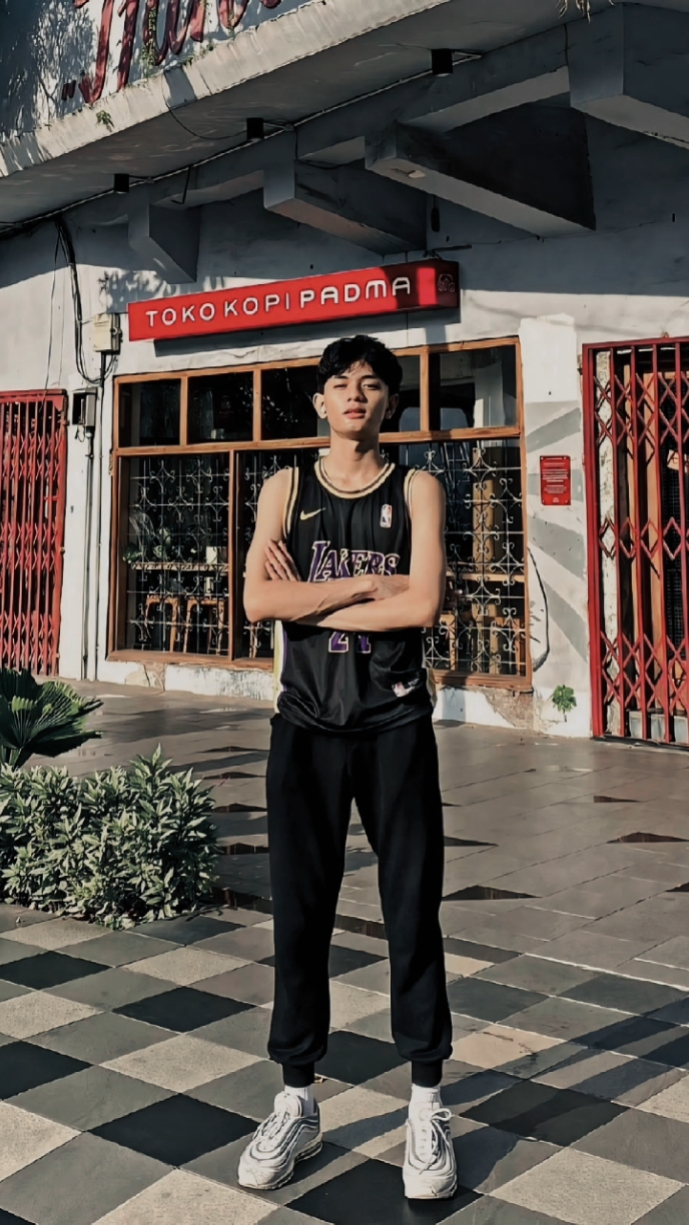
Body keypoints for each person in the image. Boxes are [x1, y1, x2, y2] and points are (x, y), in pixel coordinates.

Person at [239, 335, 456, 1201]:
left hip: (394, 727)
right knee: (299, 916)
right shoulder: (286, 487)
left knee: (412, 913)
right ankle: (296, 1099)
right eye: (339, 384)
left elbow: (424, 601)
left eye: (370, 384)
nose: (354, 395)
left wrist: (313, 599)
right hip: (304, 728)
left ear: (388, 402)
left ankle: (427, 1102)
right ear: (319, 402)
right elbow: (258, 600)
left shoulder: (417, 487)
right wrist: (369, 588)